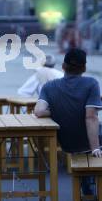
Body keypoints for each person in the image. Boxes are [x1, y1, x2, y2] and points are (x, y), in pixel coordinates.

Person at [34, 48, 102, 195]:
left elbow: (38, 111)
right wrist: (96, 148)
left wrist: (57, 110)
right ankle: (90, 184)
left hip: (67, 142)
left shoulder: (49, 86)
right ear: (84, 67)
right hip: (88, 141)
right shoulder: (91, 84)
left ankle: (89, 185)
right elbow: (91, 117)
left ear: (63, 66)